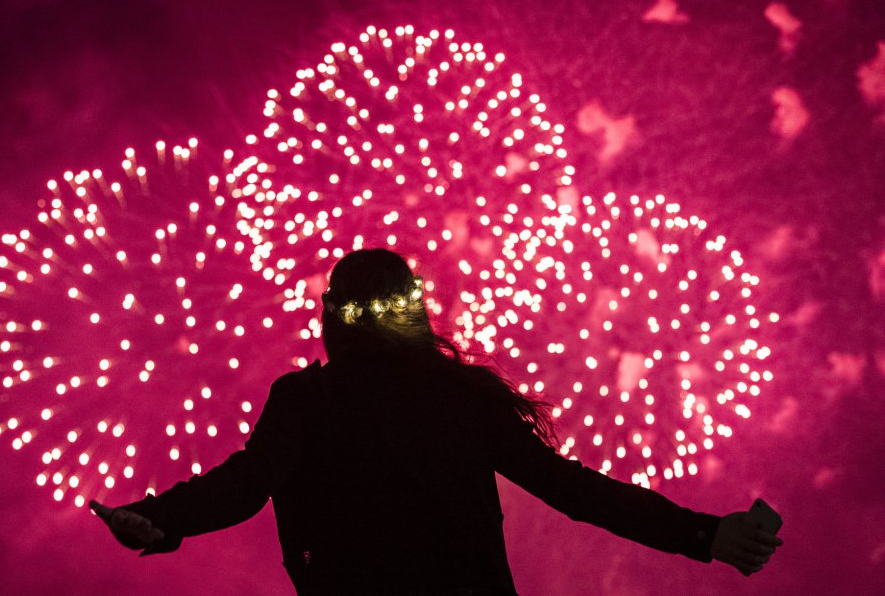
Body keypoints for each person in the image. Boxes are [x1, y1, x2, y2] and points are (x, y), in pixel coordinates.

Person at [92, 248, 782, 595]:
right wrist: (703, 532)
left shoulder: (307, 398)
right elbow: (573, 490)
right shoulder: (460, 394)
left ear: (333, 316)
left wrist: (164, 517)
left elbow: (245, 485)